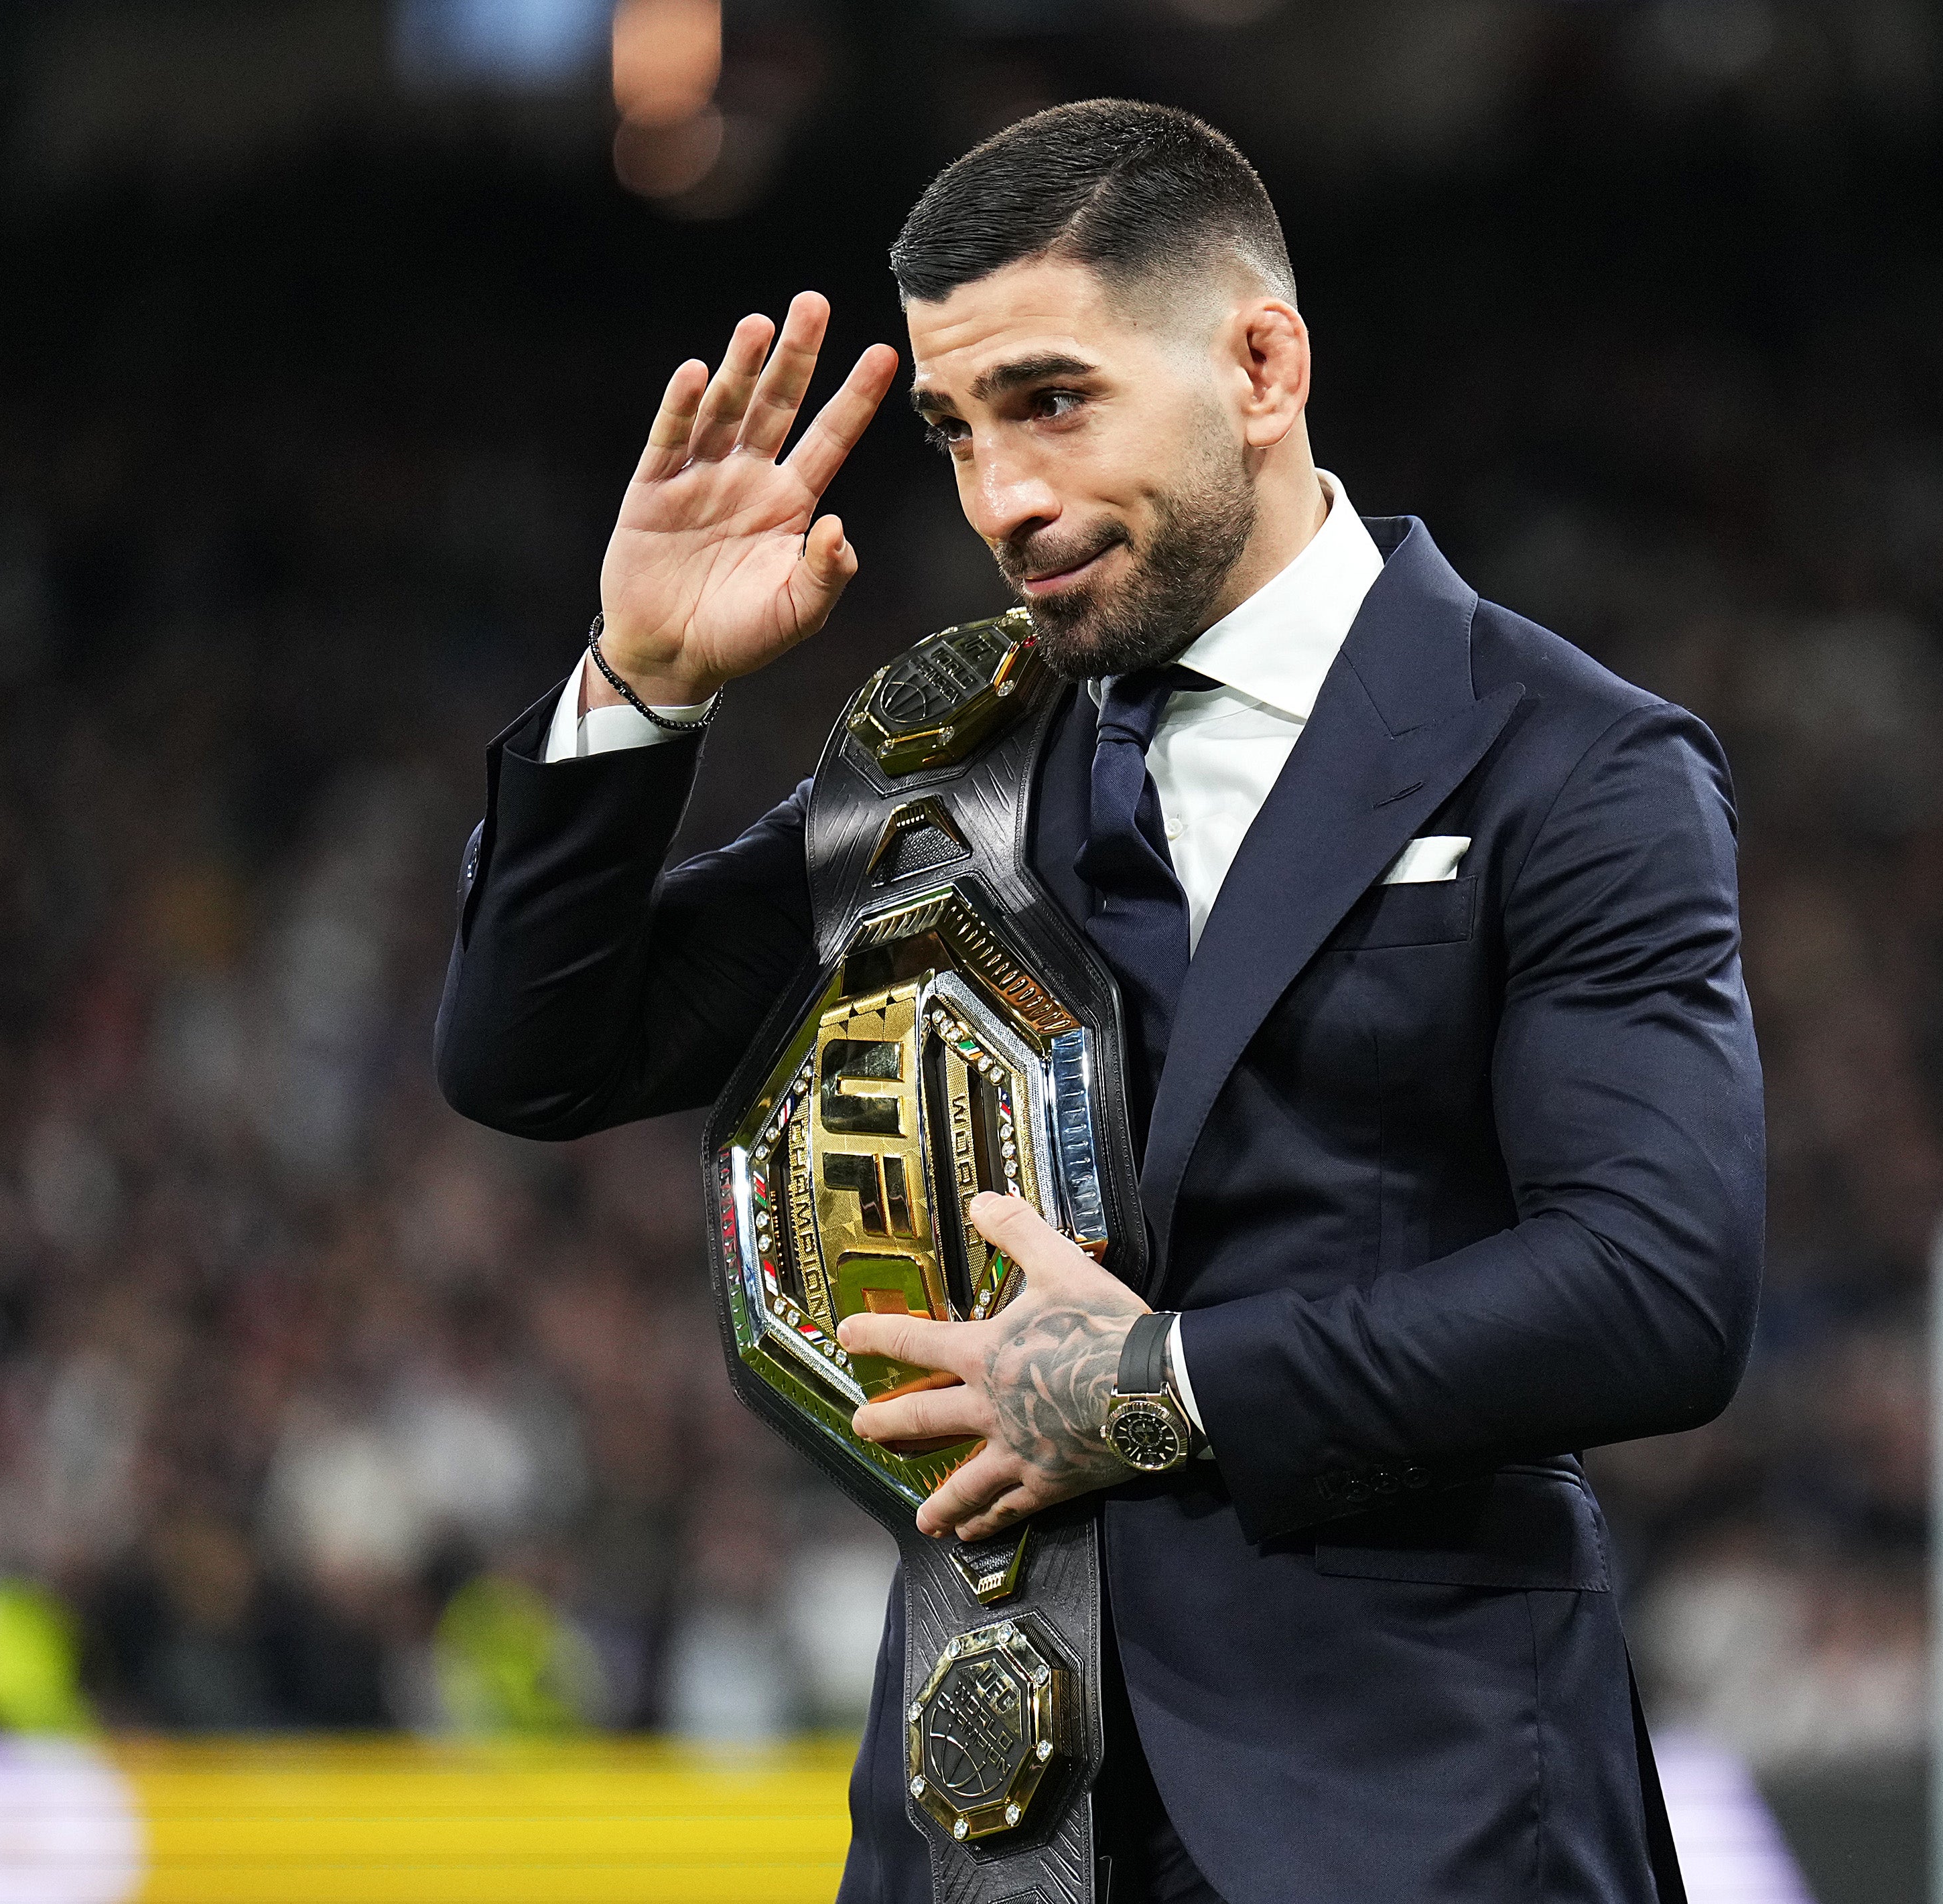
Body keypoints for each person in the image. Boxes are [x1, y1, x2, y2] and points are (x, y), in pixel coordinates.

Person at [437, 99, 1762, 1904]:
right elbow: (537, 1050)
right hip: (986, 1835)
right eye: (958, 433)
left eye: (1052, 402)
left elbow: (1656, 1288)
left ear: (1263, 362)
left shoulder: (1566, 764)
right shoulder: (945, 770)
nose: (1003, 500)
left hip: (1412, 1824)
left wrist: (1171, 1383)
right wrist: (642, 690)